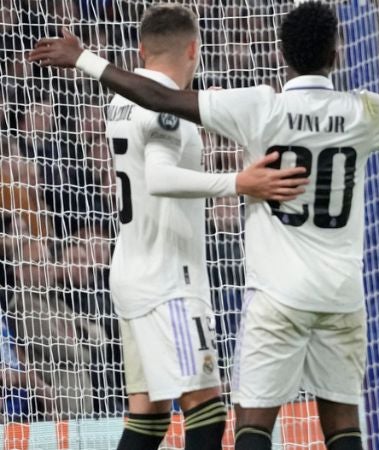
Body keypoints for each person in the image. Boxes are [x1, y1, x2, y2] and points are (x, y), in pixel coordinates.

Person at [28, 2, 379, 450]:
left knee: (240, 423)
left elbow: (159, 97)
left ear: (280, 52)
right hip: (337, 293)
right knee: (341, 424)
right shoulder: (365, 110)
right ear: (337, 54)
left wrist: (86, 58)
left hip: (269, 294)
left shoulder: (257, 105)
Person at [32, 5, 309, 450]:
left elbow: (157, 126)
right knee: (207, 411)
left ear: (141, 50)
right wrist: (241, 181)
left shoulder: (121, 100)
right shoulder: (166, 111)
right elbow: (160, 177)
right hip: (169, 283)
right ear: (194, 49)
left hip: (130, 273)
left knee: (148, 415)